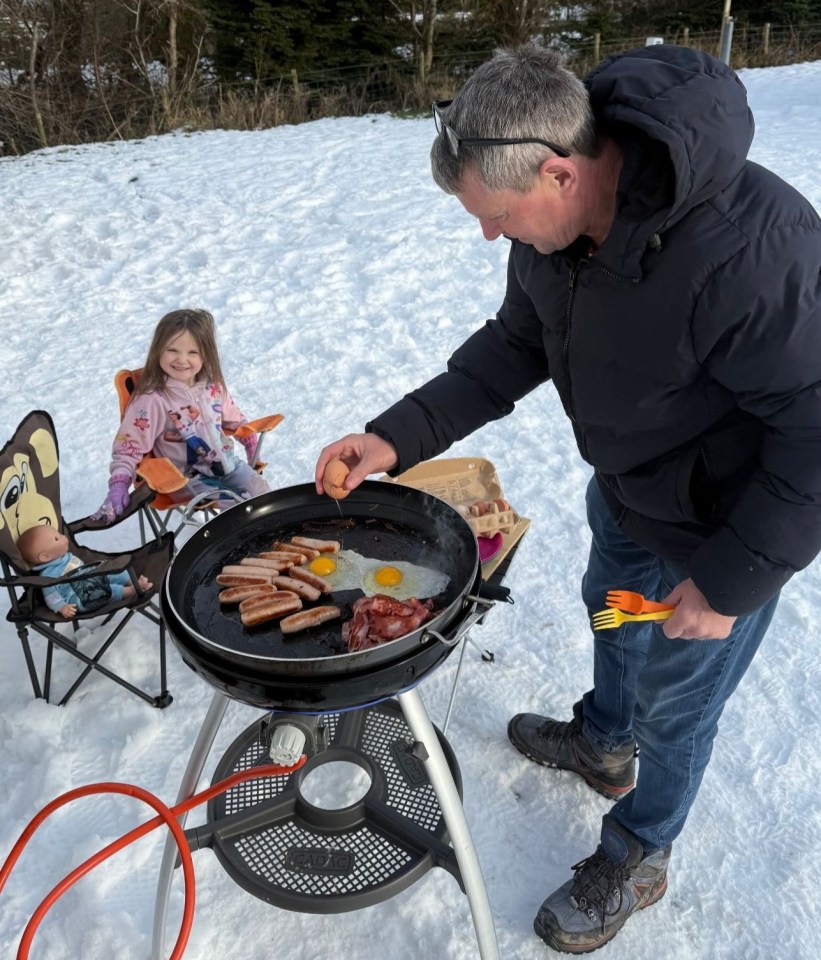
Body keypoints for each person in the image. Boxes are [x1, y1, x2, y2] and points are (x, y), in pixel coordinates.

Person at [315, 43, 821, 954]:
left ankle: (638, 847)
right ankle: (603, 740)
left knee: (680, 701)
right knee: (610, 617)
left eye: (498, 216)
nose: (489, 236)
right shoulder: (553, 235)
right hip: (627, 488)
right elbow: (515, 345)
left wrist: (730, 580)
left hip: (718, 529)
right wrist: (397, 435)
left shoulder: (755, 248)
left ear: (558, 170)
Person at [93, 308, 270, 522]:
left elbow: (235, 420)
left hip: (226, 465)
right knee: (231, 502)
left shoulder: (212, 387)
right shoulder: (153, 399)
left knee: (262, 495)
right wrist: (118, 485)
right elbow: (128, 448)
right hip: (182, 478)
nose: (181, 360)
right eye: (172, 350)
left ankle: (267, 540)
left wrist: (250, 444)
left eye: (192, 352)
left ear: (206, 354)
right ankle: (233, 550)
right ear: (158, 350)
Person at [18, 524, 152, 617]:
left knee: (115, 570)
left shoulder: (63, 557)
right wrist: (62, 607)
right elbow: (52, 598)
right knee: (103, 592)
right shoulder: (48, 576)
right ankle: (132, 590)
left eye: (58, 533)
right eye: (56, 538)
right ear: (45, 556)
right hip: (80, 597)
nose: (64, 537)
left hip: (90, 577)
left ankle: (131, 581)